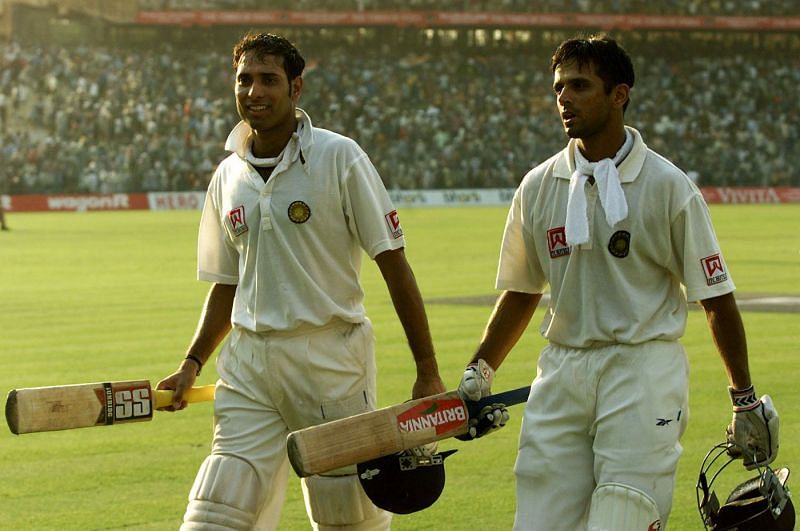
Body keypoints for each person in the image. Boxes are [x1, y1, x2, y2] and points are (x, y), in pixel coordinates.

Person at [456, 34, 779, 530]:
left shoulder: (667, 186)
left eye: (580, 86)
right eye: (559, 87)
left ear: (619, 94)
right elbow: (522, 291)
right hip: (560, 371)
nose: (564, 98)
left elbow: (714, 298)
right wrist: (480, 370)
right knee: (538, 523)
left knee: (623, 517)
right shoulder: (539, 184)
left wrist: (744, 397)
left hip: (642, 368)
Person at [156, 32, 445, 530]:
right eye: (244, 79)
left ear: (296, 88)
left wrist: (427, 369)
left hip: (330, 360)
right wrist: (191, 362)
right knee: (218, 508)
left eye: (269, 80)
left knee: (345, 515)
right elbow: (228, 284)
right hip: (248, 365)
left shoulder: (339, 156)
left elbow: (393, 264)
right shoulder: (227, 174)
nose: (254, 91)